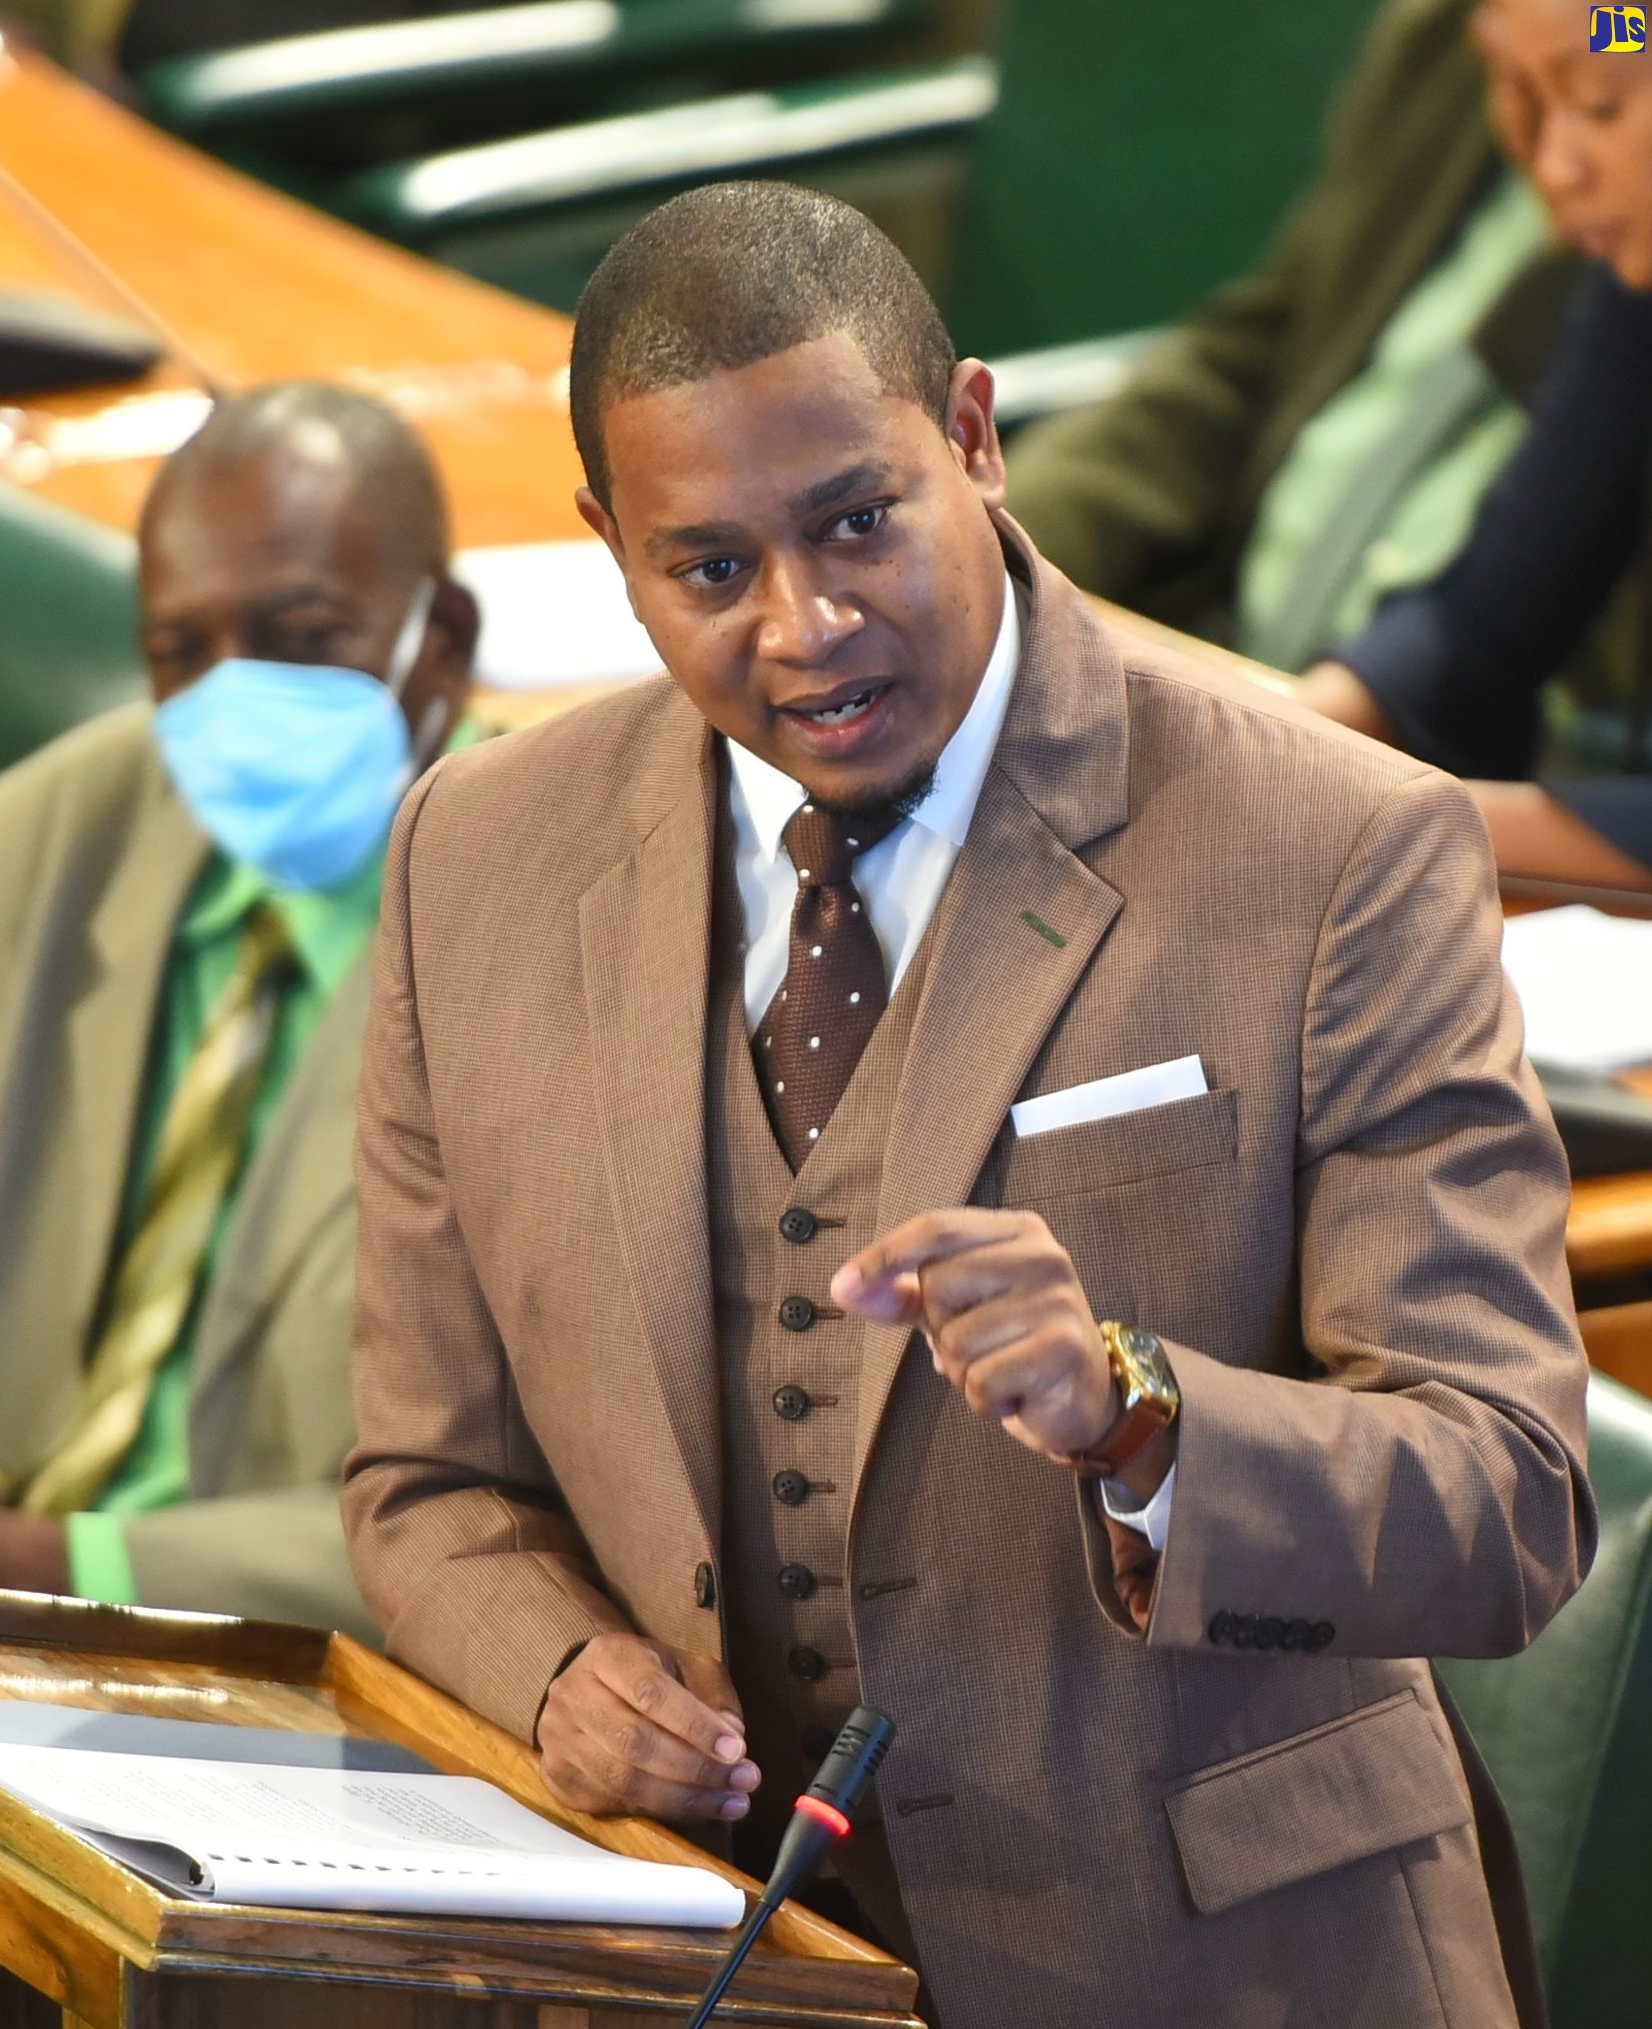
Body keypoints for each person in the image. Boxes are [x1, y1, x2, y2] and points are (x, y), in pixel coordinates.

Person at [341, 183, 1592, 2027]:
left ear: (973, 437)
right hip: (724, 1969)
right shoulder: (477, 857)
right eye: (708, 570)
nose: (806, 624)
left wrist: (1141, 1412)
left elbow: (1505, 1498)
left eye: (858, 520)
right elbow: (424, 1478)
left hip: (1230, 1970)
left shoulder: (1334, 847)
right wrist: (549, 1673)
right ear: (608, 547)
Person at [0, 380, 477, 1635]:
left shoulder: (552, 947)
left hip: (283, 1692)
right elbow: (4, 1347)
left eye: (303, 633)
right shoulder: (56, 838)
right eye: (182, 652)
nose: (235, 698)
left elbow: (490, 1538)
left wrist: (24, 1559)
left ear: (440, 635)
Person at [1004, 0, 1605, 688]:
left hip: (1462, 758)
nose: (1554, 160)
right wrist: (1005, 545)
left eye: (1594, 109)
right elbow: (1266, 345)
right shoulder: (1452, 39)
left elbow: (1480, 650)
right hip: (1223, 656)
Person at [1297, 0, 1652, 888]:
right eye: (1524, 92)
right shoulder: (1636, 286)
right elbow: (1490, 616)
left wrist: (1379, 817)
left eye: (1601, 107)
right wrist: (1285, 735)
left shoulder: (1628, 21)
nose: (1555, 168)